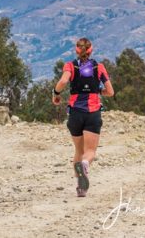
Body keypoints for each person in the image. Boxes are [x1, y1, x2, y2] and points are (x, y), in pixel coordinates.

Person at [52, 37, 114, 197]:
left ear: (76, 51)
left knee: (78, 151)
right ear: (91, 50)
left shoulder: (70, 66)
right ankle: (85, 164)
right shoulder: (99, 67)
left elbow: (63, 81)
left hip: (75, 113)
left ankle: (81, 187)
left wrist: (56, 94)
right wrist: (97, 91)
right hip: (92, 113)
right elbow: (110, 91)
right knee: (90, 151)